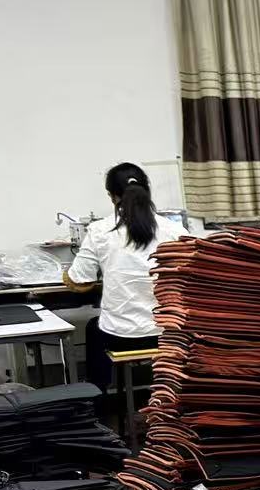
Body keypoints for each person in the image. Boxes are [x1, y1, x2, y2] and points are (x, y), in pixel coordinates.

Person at [64, 163, 185, 392]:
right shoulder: (175, 230)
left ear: (112, 197)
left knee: (93, 328)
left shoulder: (100, 230)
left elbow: (78, 280)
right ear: (146, 191)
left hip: (120, 336)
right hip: (169, 332)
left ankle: (97, 394)